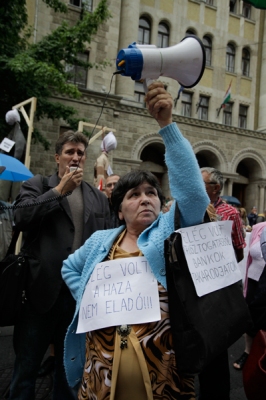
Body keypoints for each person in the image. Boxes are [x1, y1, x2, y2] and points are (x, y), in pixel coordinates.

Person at [61, 81, 210, 399]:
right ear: (118, 211)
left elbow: (195, 198)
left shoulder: (169, 233)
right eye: (134, 194)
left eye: (151, 193)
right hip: (102, 376)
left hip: (162, 374)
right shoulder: (100, 242)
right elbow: (69, 269)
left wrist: (166, 126)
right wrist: (89, 300)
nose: (145, 199)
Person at [9, 130, 111, 400]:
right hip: (40, 294)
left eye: (80, 153)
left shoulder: (98, 197)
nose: (75, 157)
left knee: (69, 372)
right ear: (57, 157)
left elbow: (108, 240)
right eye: (69, 152)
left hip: (79, 298)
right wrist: (58, 192)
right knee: (26, 369)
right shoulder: (38, 185)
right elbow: (20, 217)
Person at [199, 167, 246, 400]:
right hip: (192, 288)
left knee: (216, 347)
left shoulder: (230, 213)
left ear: (215, 188)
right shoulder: (187, 209)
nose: (196, 186)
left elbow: (238, 251)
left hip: (217, 289)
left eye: (202, 183)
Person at [233, 221, 266, 370]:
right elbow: (249, 259)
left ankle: (261, 355)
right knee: (251, 318)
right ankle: (247, 352)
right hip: (254, 280)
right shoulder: (259, 227)